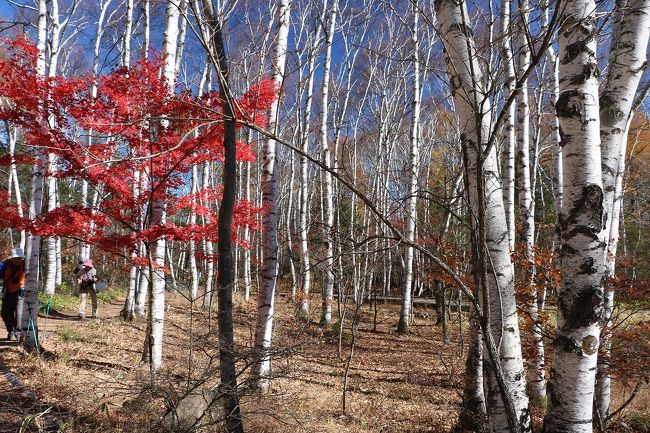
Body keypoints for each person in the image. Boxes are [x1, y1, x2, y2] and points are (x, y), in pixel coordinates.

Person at [1, 248, 25, 340]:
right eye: (16, 258)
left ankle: (17, 333)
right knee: (5, 313)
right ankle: (10, 331)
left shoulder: (25, 265)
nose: (18, 260)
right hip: (7, 293)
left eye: (20, 258)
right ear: (12, 258)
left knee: (19, 314)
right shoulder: (4, 265)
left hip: (21, 293)